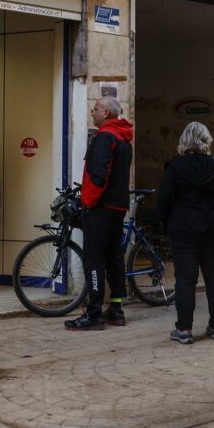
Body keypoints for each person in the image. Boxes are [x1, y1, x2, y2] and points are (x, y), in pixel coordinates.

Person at [156, 122, 214, 343]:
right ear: (206, 140)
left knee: (185, 279)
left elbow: (163, 200)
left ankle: (184, 329)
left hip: (183, 229)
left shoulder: (175, 167)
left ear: (184, 140)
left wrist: (166, 222)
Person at [64, 97, 134, 331]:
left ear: (105, 113)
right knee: (114, 257)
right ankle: (116, 308)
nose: (92, 112)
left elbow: (98, 175)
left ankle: (93, 314)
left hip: (100, 208)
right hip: (117, 207)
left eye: (95, 109)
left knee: (94, 260)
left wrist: (87, 202)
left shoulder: (105, 136)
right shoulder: (124, 138)